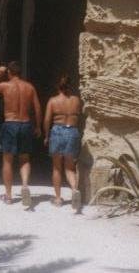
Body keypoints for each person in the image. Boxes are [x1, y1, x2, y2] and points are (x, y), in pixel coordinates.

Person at [0, 61, 41, 207]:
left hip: (10, 123)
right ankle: (24, 186)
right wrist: (38, 127)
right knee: (24, 158)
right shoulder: (30, 87)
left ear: (9, 72)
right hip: (26, 124)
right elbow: (37, 108)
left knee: (8, 160)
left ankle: (9, 196)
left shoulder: (5, 85)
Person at [44, 74, 83, 212]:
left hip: (57, 131)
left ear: (57, 86)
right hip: (72, 131)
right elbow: (79, 115)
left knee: (56, 168)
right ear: (70, 85)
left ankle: (58, 198)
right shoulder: (76, 100)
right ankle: (74, 190)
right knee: (70, 167)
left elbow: (47, 120)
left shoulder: (53, 101)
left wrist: (47, 136)